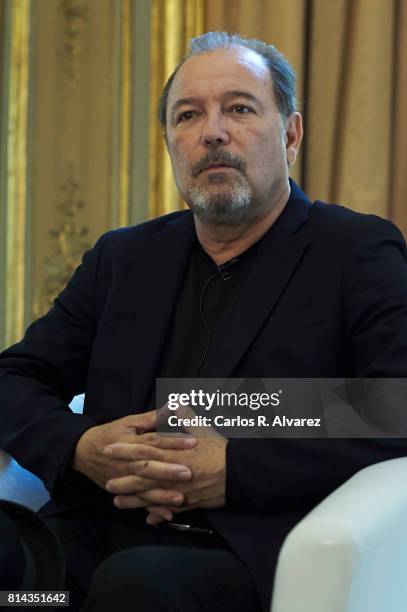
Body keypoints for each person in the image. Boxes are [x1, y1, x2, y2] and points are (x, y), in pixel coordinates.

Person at [1, 31, 407, 612]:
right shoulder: (124, 258)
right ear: (171, 144)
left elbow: (393, 403)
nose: (212, 132)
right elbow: (15, 377)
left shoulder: (355, 251)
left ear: (290, 134)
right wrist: (81, 444)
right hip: (94, 537)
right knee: (24, 593)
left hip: (244, 548)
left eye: (239, 109)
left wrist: (234, 466)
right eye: (188, 116)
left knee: (135, 587)